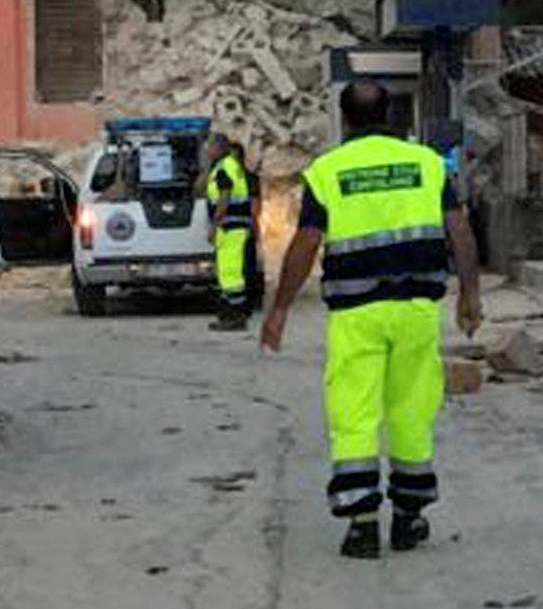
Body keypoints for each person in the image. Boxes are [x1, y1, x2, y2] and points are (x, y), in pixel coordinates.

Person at [259, 80, 483, 560]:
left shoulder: (327, 171)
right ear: (392, 116)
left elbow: (306, 243)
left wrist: (279, 307)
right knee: (411, 411)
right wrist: (470, 293)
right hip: (417, 310)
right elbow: (458, 228)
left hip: (356, 313)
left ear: (345, 120)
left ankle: (362, 525)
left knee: (354, 413)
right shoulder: (428, 164)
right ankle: (408, 519)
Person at [205, 132, 253, 332]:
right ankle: (228, 314)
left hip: (229, 226)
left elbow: (224, 198)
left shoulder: (224, 168)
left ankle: (235, 316)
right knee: (228, 272)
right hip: (236, 225)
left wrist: (214, 226)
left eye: (209, 147)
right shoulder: (230, 166)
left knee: (230, 273)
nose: (207, 151)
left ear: (219, 148)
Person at [232, 138, 266, 315]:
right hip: (234, 229)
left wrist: (251, 226)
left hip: (243, 228)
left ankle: (250, 302)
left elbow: (255, 204)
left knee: (248, 266)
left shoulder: (248, 177)